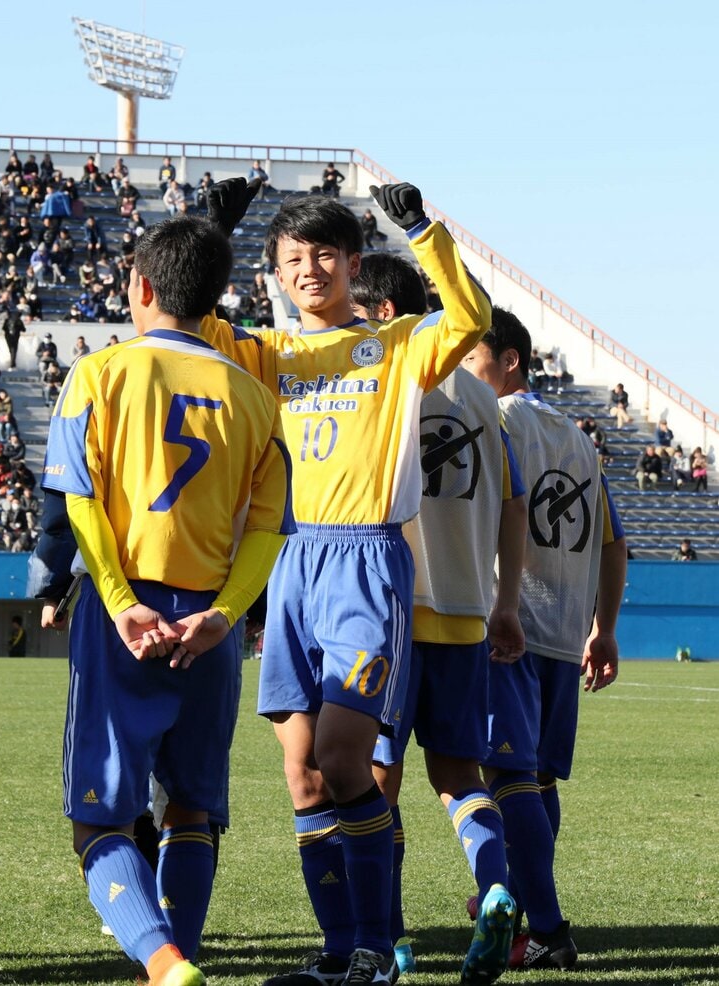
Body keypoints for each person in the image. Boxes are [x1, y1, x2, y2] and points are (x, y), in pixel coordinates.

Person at [206, 180, 491, 986]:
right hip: (291, 564)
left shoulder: (398, 345)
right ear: (274, 271)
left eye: (325, 255)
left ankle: (376, 948)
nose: (309, 270)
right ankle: (340, 955)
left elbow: (469, 321)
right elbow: (187, 324)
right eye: (293, 258)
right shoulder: (266, 351)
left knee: (343, 760)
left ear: (353, 262)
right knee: (300, 773)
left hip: (366, 564)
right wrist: (212, 228)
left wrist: (422, 230)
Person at [37, 212, 294, 986]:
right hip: (209, 623)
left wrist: (115, 599)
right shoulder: (254, 397)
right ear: (214, 299)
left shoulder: (98, 373)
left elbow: (77, 502)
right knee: (192, 808)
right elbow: (267, 528)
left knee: (99, 815)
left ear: (140, 286)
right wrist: (225, 614)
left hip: (130, 619)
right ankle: (179, 948)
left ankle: (162, 961)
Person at [351, 252, 527, 983]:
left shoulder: (388, 371)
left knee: (375, 778)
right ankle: (494, 888)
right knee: (458, 773)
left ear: (384, 314)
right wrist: (505, 602)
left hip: (394, 605)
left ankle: (389, 936)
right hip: (465, 609)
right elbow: (513, 505)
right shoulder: (486, 397)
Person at [462, 307, 626, 972]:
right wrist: (603, 628)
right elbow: (616, 542)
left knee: (504, 775)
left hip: (511, 627)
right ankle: (524, 905)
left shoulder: (494, 420)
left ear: (509, 361)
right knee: (536, 780)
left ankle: (546, 926)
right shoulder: (580, 439)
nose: (462, 374)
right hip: (562, 633)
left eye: (472, 359)